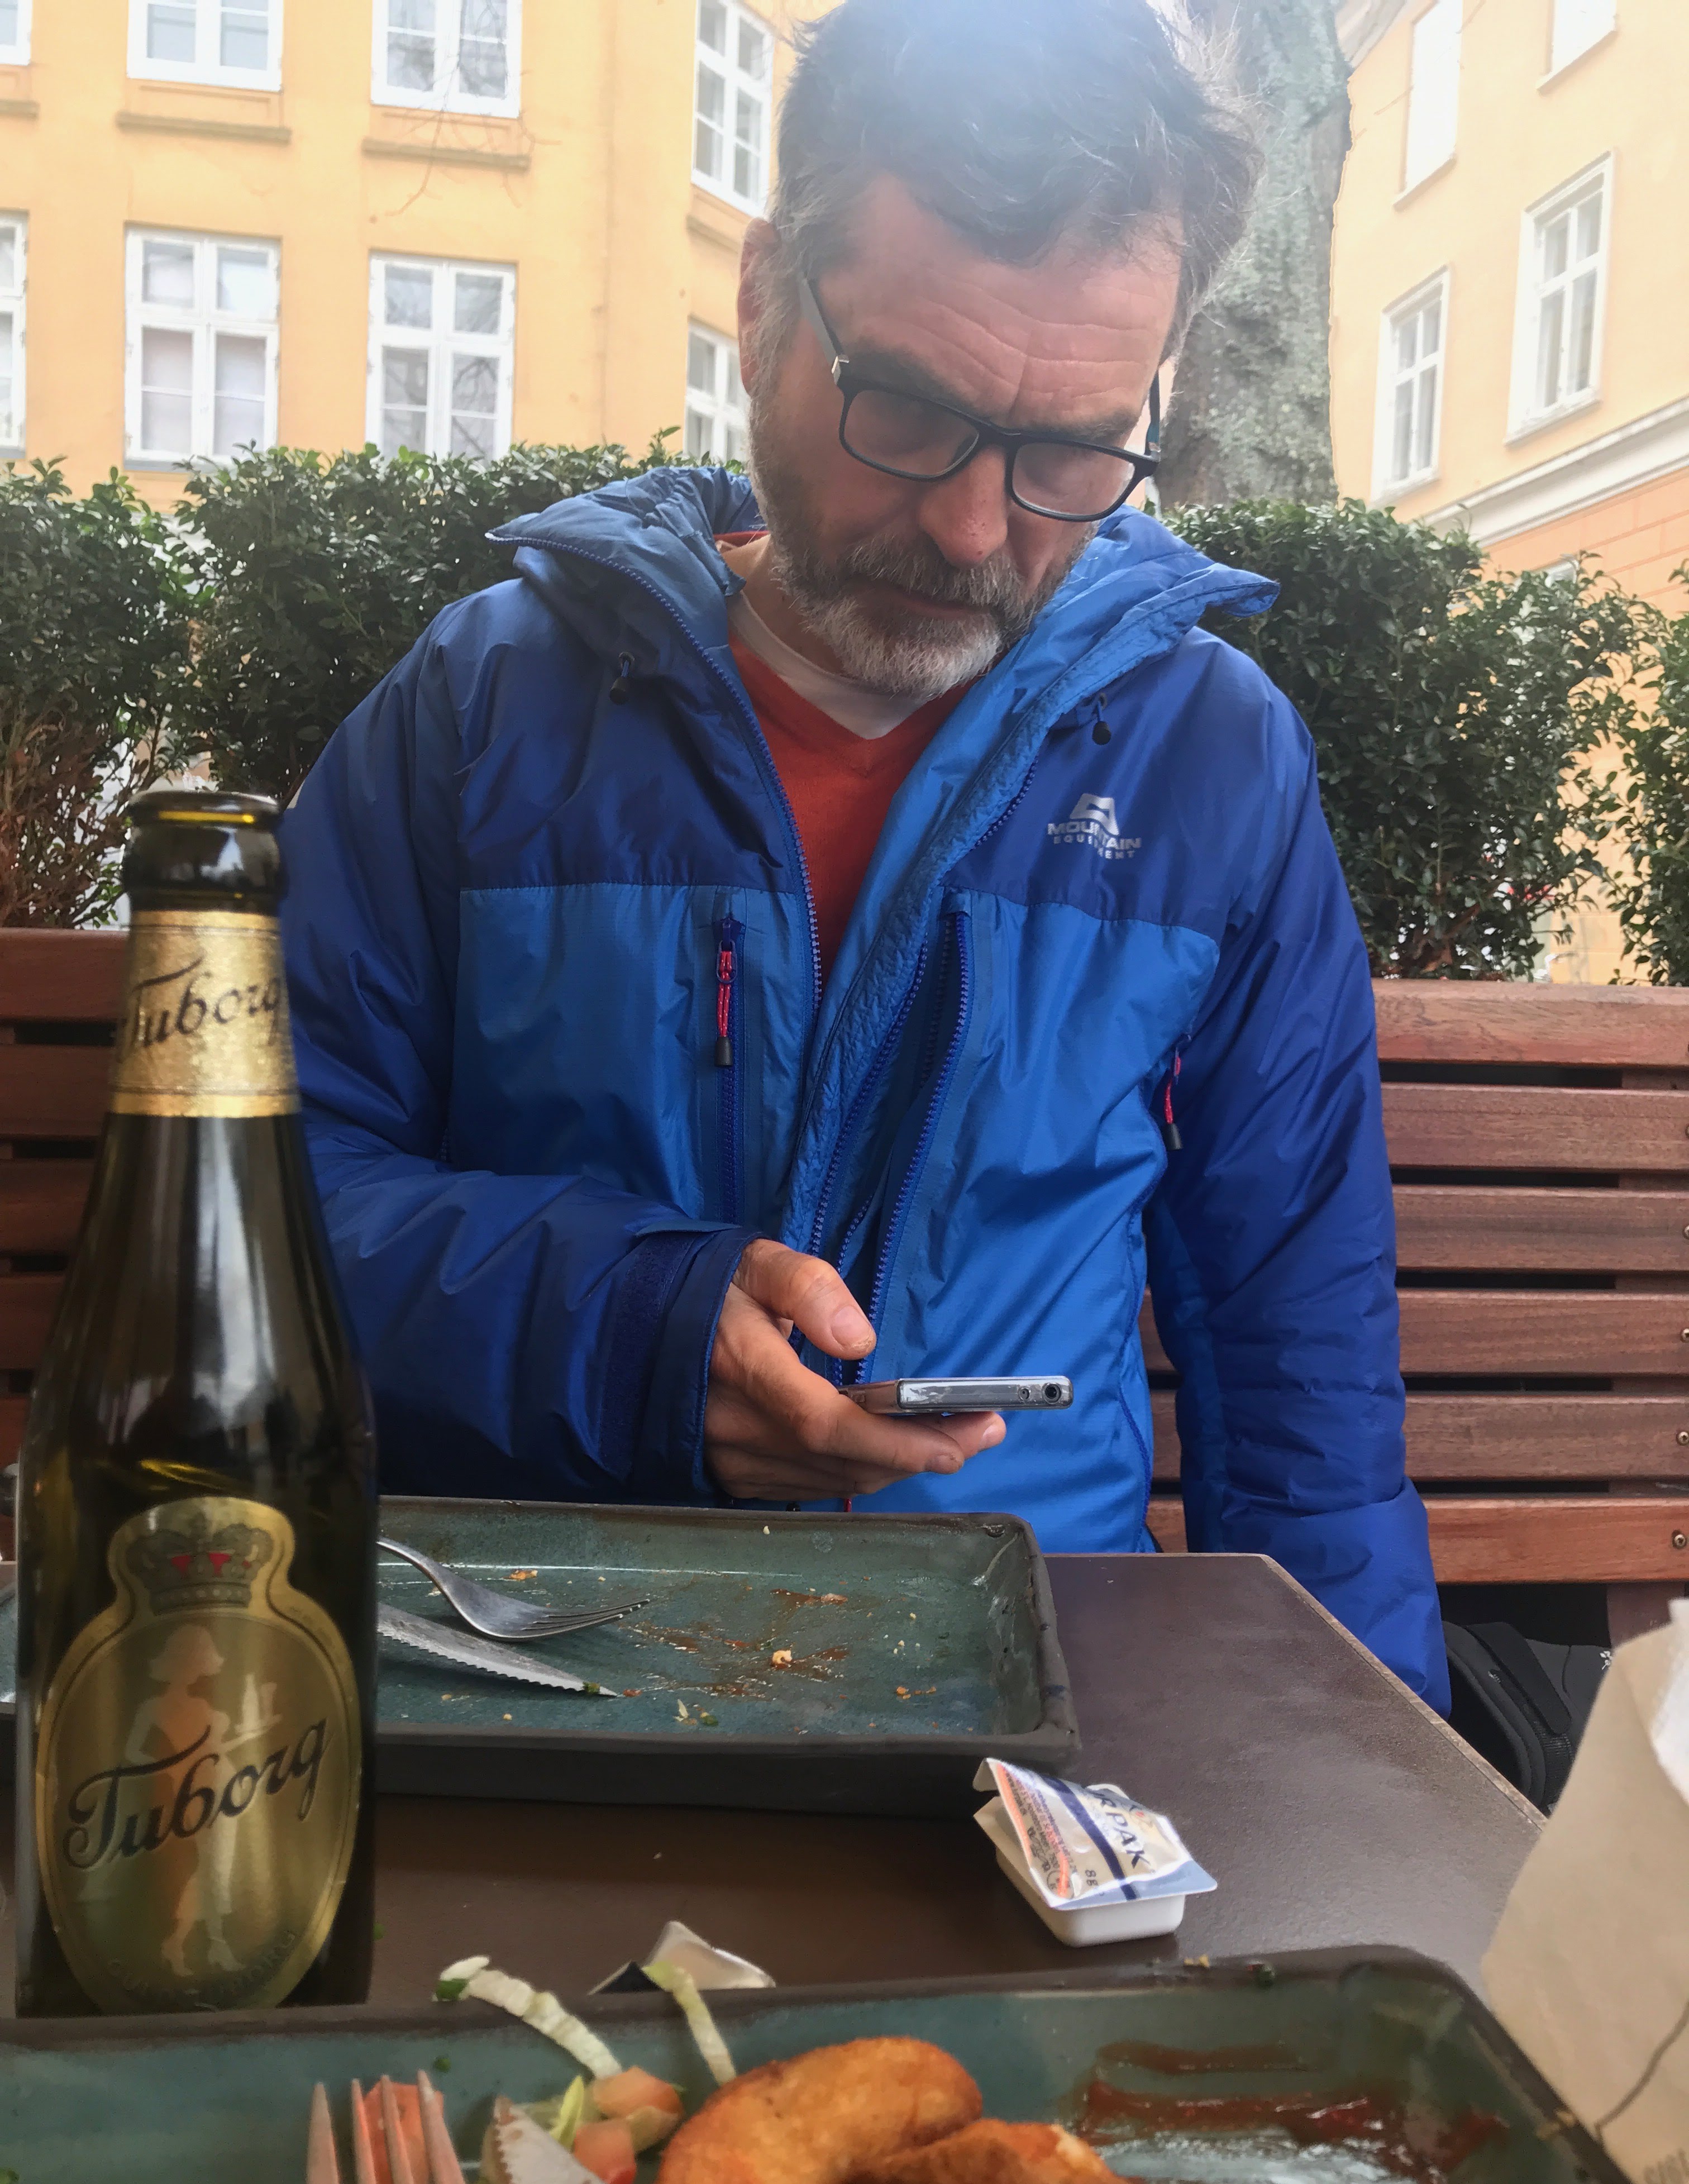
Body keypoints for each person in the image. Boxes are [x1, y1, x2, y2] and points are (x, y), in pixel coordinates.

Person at [281, 0, 1449, 1706]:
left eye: (1073, 452)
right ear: (764, 302)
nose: (974, 528)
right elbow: (264, 1194)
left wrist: (1372, 1777)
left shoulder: (1216, 761)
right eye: (904, 405)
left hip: (1039, 1691)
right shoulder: (484, 706)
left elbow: (1301, 1351)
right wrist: (629, 1333)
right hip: (535, 1671)